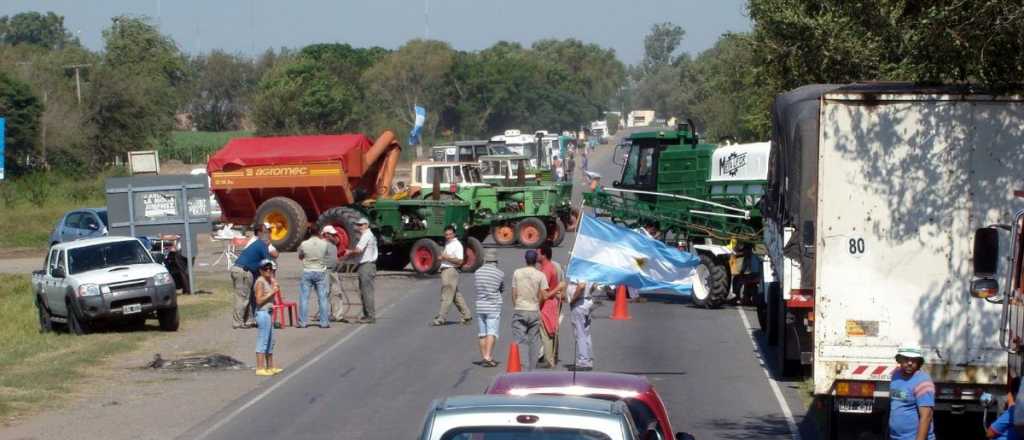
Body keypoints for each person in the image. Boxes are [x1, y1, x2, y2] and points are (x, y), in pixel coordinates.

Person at [230, 224, 276, 329]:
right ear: (260, 233)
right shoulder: (261, 244)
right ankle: (237, 322)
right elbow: (267, 263)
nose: (268, 233)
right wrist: (271, 279)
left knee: (247, 296)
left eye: (268, 231)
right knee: (242, 297)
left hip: (241, 270)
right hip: (243, 271)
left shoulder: (257, 243)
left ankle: (248, 320)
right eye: (266, 231)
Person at [511, 250, 547, 372]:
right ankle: (532, 369)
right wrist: (538, 304)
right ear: (536, 261)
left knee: (520, 340)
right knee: (534, 341)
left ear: (525, 259)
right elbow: (544, 294)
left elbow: (514, 292)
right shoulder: (540, 275)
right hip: (534, 309)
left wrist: (516, 305)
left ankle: (522, 367)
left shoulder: (517, 273)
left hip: (520, 308)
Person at [889, 345, 935, 440]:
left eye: (914, 360)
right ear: (899, 359)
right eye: (906, 359)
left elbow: (926, 417)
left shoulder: (923, 382)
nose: (910, 363)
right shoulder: (895, 375)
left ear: (919, 362)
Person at [432, 225, 473, 326]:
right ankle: (467, 316)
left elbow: (459, 261)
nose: (448, 236)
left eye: (450, 234)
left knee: (446, 294)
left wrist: (446, 257)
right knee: (455, 295)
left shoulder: (457, 245)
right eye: (446, 234)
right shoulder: (449, 244)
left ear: (454, 234)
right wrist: (442, 258)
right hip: (446, 270)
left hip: (450, 270)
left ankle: (441, 317)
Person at [340, 218, 378, 324]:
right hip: (366, 265)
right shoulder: (368, 235)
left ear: (366, 225)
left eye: (361, 225)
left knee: (366, 292)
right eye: (358, 225)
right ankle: (367, 315)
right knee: (364, 291)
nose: (359, 227)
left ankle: (370, 316)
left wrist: (348, 252)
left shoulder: (366, 235)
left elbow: (359, 250)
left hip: (366, 266)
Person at [297, 225, 334, 328]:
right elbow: (326, 254)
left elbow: (300, 256)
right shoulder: (324, 243)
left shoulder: (304, 243)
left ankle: (303, 322)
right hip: (320, 271)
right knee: (323, 298)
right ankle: (324, 322)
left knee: (304, 298)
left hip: (308, 270)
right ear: (319, 232)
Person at [473, 249, 504, 368]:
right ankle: (488, 356)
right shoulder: (499, 273)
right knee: (492, 332)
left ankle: (484, 356)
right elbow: (501, 289)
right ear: (495, 261)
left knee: (482, 333)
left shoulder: (477, 272)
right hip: (493, 306)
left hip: (480, 305)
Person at [537, 245, 565, 368]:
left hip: (547, 304)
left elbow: (544, 293)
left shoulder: (546, 270)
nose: (536, 255)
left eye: (538, 253)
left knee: (546, 332)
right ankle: (554, 357)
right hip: (553, 302)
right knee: (552, 330)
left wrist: (538, 306)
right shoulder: (551, 267)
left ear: (544, 255)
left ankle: (549, 360)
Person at [253, 259, 281, 376]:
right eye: (265, 269)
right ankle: (260, 367)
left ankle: (270, 366)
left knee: (270, 341)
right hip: (262, 313)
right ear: (260, 271)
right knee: (263, 340)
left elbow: (275, 286)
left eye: (270, 268)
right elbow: (259, 300)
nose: (268, 270)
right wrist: (272, 293)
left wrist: (273, 281)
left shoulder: (268, 280)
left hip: (269, 312)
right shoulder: (260, 282)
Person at [567, 280, 594, 371]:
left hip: (579, 303)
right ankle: (588, 359)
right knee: (586, 332)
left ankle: (583, 361)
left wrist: (573, 299)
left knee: (580, 333)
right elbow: (594, 285)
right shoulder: (589, 270)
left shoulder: (580, 270)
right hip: (586, 301)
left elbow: (581, 286)